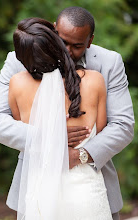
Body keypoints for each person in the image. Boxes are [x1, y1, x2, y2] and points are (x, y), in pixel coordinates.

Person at [0, 6, 134, 220]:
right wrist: (52, 140)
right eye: (62, 41)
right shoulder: (18, 60)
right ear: (54, 30)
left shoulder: (109, 63)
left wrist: (81, 155)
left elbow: (123, 126)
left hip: (90, 181)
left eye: (77, 46)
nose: (68, 51)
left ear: (90, 41)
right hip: (37, 187)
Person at [9, 17, 112, 219]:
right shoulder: (94, 81)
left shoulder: (17, 85)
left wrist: (51, 138)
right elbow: (101, 131)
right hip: (85, 192)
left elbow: (23, 132)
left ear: (22, 57)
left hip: (41, 192)